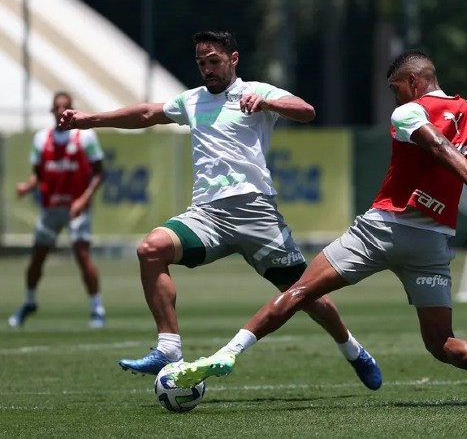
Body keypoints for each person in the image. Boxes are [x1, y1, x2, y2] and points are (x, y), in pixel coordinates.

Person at [170, 49, 467, 406]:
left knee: (299, 291)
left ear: (413, 81)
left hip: (384, 229)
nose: (394, 99)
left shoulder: (408, 112)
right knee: (440, 342)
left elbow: (438, 146)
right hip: (432, 243)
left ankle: (226, 354)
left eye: (396, 89)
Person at [58, 30, 382, 389]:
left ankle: (353, 350)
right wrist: (89, 120)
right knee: (151, 249)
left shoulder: (256, 92)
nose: (207, 70)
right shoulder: (192, 100)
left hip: (256, 214)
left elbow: (306, 111)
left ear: (233, 59)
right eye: (201, 63)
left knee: (306, 295)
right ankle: (169, 349)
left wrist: (267, 104)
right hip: (207, 216)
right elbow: (148, 113)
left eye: (214, 61)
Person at [8, 92, 106, 329]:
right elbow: (39, 174)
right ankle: (29, 302)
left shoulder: (85, 137)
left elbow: (99, 172)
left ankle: (97, 308)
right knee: (37, 258)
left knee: (82, 256)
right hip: (50, 207)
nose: (61, 111)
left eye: (66, 107)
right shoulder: (42, 138)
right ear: (52, 111)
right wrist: (27, 186)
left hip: (75, 208)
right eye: (57, 107)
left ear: (72, 109)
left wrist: (83, 200)